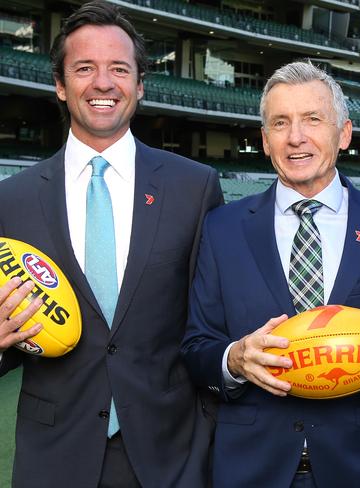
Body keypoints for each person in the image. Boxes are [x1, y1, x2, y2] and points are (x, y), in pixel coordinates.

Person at [181, 61, 360, 488]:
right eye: (281, 123)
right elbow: (195, 345)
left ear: (344, 133)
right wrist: (235, 360)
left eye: (313, 119)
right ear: (265, 140)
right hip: (251, 467)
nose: (296, 137)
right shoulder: (221, 228)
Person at [0, 1, 223, 486]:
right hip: (54, 458)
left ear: (139, 85)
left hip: (171, 456)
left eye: (118, 69)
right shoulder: (10, 201)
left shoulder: (195, 188)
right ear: (60, 85)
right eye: (85, 68)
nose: (103, 83)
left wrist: (205, 437)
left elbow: (213, 325)